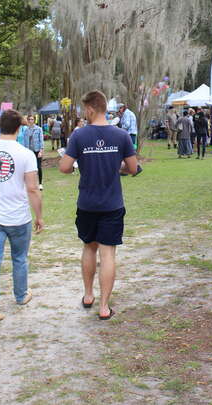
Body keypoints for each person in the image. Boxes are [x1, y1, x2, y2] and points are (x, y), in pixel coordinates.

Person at [59, 90, 138, 320]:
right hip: (112, 204)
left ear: (91, 109)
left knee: (89, 247)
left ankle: (87, 295)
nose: (84, 113)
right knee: (108, 254)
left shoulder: (79, 136)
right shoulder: (121, 135)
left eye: (85, 109)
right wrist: (117, 167)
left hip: (87, 204)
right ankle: (104, 307)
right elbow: (133, 168)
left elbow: (64, 167)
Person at [0, 109, 44, 323]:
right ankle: (21, 295)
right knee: (19, 258)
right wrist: (39, 215)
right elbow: (32, 188)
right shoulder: (25, 154)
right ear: (19, 128)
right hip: (18, 216)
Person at [23, 115, 44, 191]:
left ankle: (40, 183)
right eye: (29, 119)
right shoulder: (26, 130)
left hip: (37, 150)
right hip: (29, 151)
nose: (30, 120)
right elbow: (25, 142)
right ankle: (32, 183)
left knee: (38, 167)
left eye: (32, 119)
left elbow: (41, 140)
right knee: (30, 168)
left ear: (34, 120)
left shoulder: (38, 129)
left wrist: (41, 150)